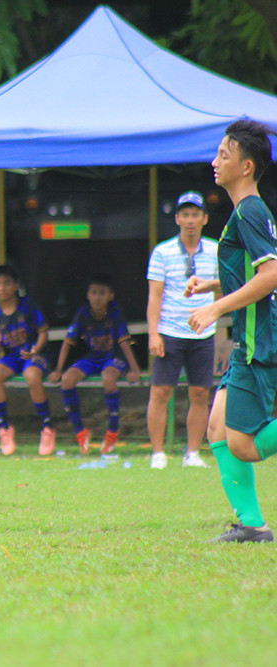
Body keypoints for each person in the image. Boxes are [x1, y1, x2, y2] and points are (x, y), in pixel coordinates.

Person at [187, 119, 277, 543]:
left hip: (258, 341)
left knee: (243, 444)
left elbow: (271, 275)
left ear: (246, 166)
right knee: (217, 430)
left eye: (224, 154)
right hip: (250, 337)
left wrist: (214, 308)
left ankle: (252, 526)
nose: (215, 161)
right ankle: (252, 526)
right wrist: (213, 285)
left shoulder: (250, 211)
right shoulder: (246, 211)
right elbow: (253, 275)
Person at [146, 190, 219, 469]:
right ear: (177, 219)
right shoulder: (162, 252)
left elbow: (225, 288)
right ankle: (157, 454)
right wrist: (154, 334)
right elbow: (154, 296)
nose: (190, 220)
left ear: (204, 218)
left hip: (203, 333)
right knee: (160, 392)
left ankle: (192, 454)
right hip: (170, 332)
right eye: (185, 215)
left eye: (195, 215)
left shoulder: (216, 250)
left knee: (200, 394)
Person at [48, 273, 141, 454]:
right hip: (93, 357)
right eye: (94, 293)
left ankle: (112, 431)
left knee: (108, 379)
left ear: (111, 296)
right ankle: (80, 432)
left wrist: (135, 369)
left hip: (113, 357)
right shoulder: (83, 313)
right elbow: (68, 341)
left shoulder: (115, 312)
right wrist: (58, 369)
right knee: (67, 380)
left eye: (102, 293)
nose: (97, 297)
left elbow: (124, 342)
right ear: (88, 295)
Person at [0, 265, 53, 456]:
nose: (2, 288)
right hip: (13, 357)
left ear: (16, 285)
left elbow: (43, 332)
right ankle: (4, 428)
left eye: (7, 283)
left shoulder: (28, 306)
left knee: (31, 375)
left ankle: (47, 427)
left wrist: (35, 350)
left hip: (34, 354)